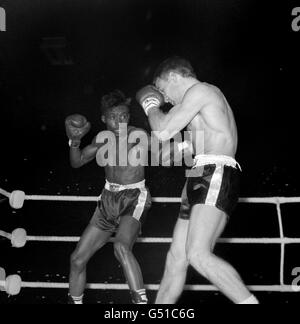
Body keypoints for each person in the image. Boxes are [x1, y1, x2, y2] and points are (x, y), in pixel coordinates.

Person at [136, 56, 259, 304]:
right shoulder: (197, 111)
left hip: (216, 171)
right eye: (158, 95)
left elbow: (163, 130)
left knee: (197, 254)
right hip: (198, 174)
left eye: (161, 89)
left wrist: (150, 105)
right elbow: (172, 151)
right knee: (176, 258)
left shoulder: (201, 91)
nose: (164, 98)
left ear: (173, 77)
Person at [66, 90, 152, 304]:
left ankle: (142, 305)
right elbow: (77, 162)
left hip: (134, 197)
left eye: (123, 116)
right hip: (107, 199)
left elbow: (161, 147)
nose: (119, 121)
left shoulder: (137, 135)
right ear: (104, 118)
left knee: (121, 247)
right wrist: (74, 142)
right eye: (114, 117)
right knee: (77, 259)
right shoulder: (100, 139)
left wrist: (184, 144)